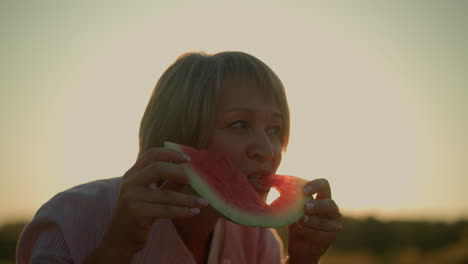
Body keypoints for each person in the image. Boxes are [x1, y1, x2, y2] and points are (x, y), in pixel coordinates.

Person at [17, 51, 342, 263]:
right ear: (179, 132)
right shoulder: (71, 218)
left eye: (275, 129)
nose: (268, 151)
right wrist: (119, 245)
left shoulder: (257, 239)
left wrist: (302, 259)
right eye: (239, 123)